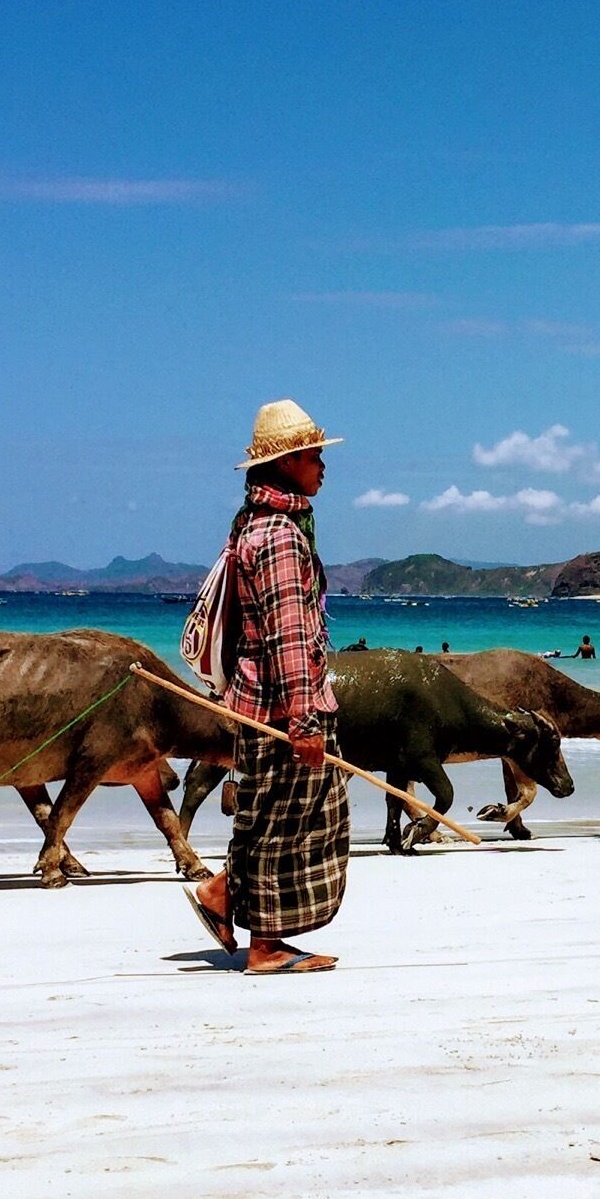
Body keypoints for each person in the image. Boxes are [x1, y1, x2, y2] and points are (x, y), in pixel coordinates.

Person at [188, 400, 352, 976]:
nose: (323, 466)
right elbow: (288, 635)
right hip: (283, 708)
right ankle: (265, 946)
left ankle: (222, 894)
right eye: (314, 456)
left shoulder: (251, 525)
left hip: (257, 700)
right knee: (290, 827)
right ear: (286, 464)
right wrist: (304, 721)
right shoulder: (281, 536)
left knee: (267, 818)